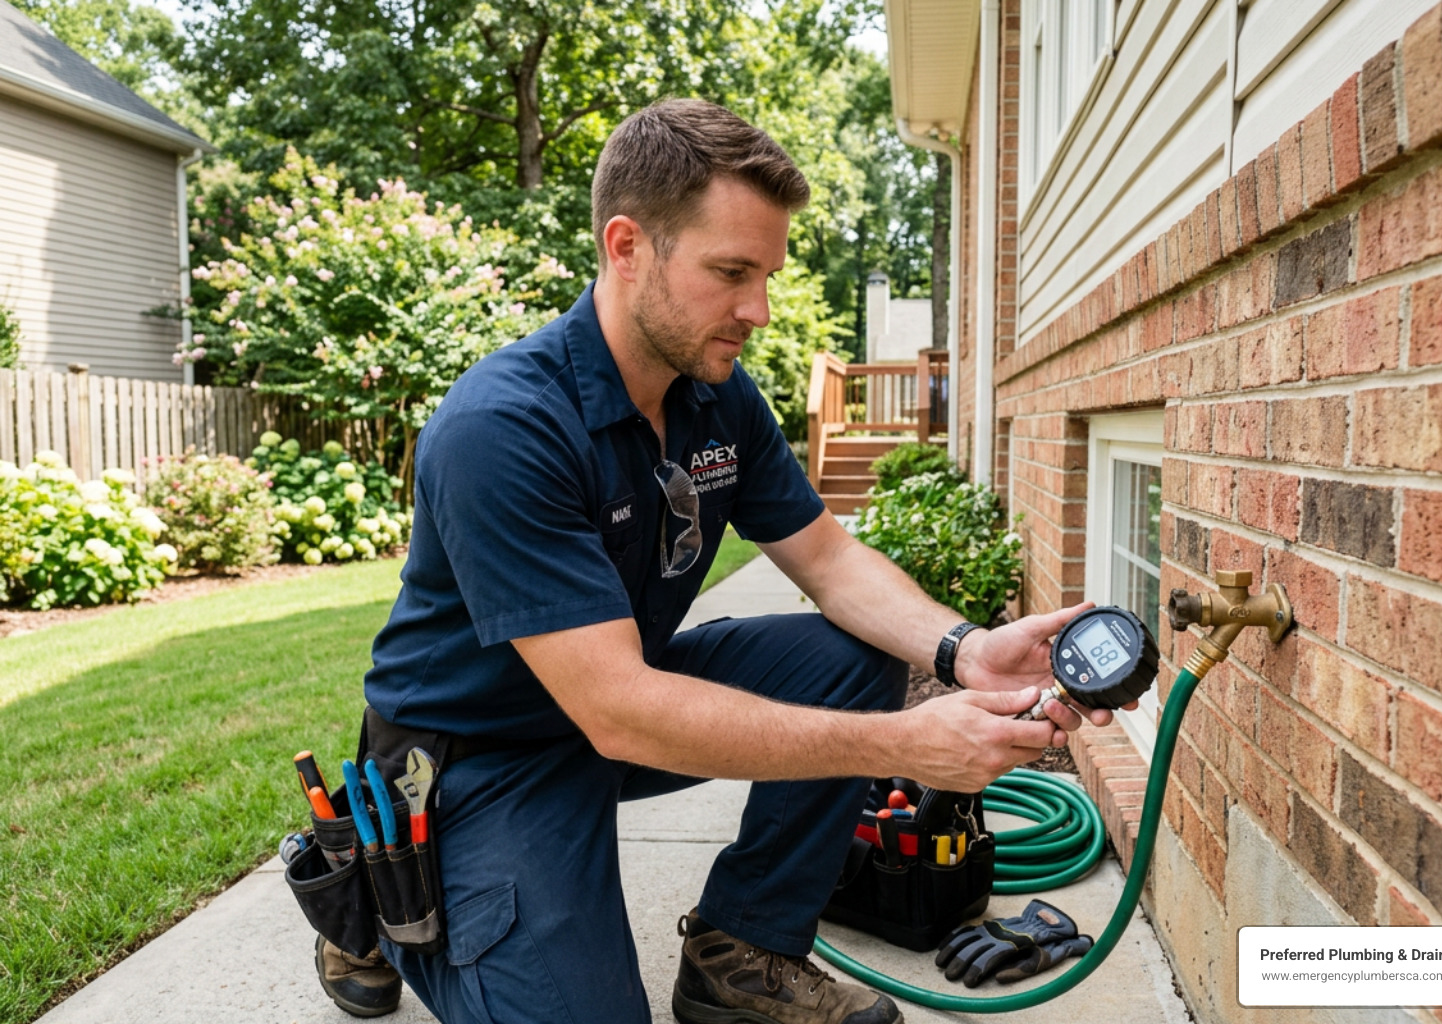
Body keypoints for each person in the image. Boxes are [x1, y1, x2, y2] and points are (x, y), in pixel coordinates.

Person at [324, 98, 1122, 1024]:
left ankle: (740, 951)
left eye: (767, 275)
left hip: (614, 700)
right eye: (732, 272)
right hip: (478, 755)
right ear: (628, 247)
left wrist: (964, 652)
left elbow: (828, 559)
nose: (761, 311)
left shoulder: (715, 395)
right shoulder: (501, 428)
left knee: (854, 656)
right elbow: (622, 712)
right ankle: (369, 902)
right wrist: (906, 745)